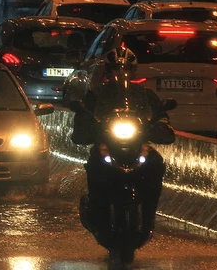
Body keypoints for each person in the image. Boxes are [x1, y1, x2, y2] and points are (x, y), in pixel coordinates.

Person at [72, 47, 174, 234]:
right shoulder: (96, 94)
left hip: (137, 144)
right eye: (116, 69)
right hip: (106, 144)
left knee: (156, 162)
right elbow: (84, 115)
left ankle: (150, 213)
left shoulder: (144, 94)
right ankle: (96, 210)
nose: (121, 72)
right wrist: (86, 123)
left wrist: (161, 124)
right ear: (108, 72)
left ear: (133, 71)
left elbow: (160, 114)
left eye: (126, 68)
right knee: (95, 163)